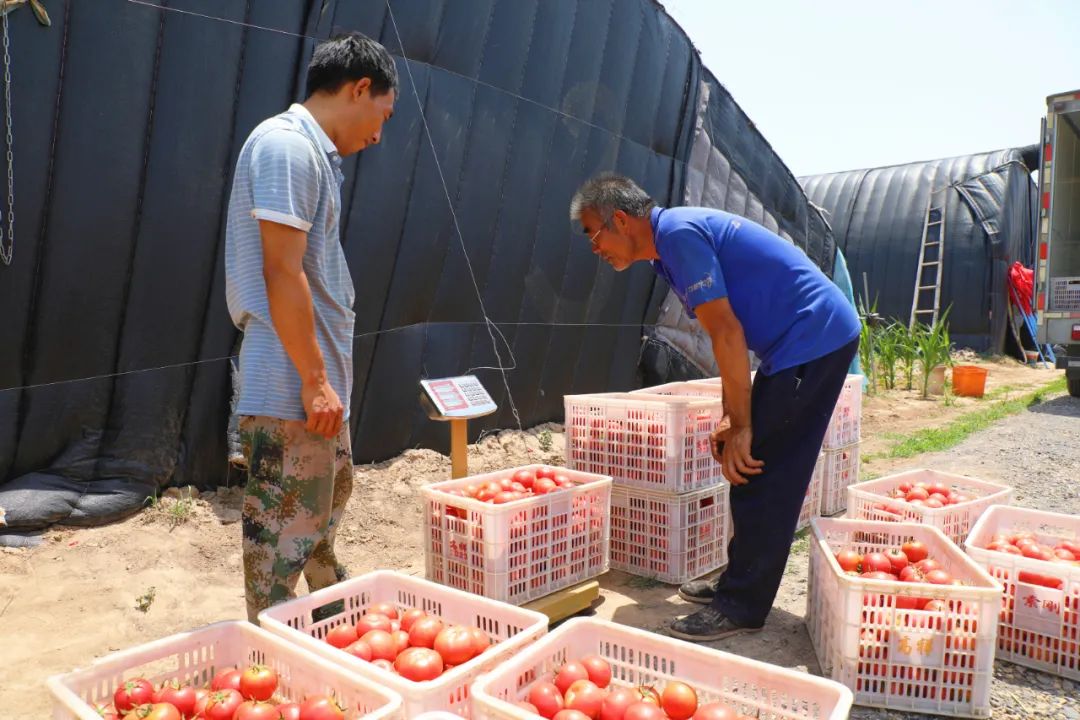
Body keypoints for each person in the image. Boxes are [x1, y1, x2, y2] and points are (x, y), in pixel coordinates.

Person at [569, 173, 860, 641]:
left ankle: (741, 604)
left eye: (594, 234)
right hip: (800, 344)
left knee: (762, 468)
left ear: (620, 220)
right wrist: (733, 416)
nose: (595, 249)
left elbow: (727, 333)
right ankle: (738, 581)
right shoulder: (669, 248)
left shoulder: (679, 237)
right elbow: (728, 336)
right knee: (747, 462)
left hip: (813, 339)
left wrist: (744, 425)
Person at [224, 32, 397, 622]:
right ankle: (274, 661)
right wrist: (315, 379)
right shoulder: (287, 147)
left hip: (312, 390)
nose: (379, 134)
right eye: (382, 114)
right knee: (277, 548)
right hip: (292, 388)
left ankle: (338, 623)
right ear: (360, 88)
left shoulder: (310, 155)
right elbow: (281, 270)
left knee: (316, 521)